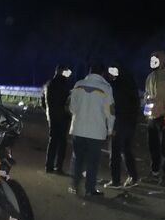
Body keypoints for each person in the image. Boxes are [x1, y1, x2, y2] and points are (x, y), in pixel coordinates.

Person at [67, 64, 115, 197]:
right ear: (102, 73)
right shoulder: (106, 88)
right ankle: (90, 189)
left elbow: (72, 107)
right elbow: (110, 112)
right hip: (96, 131)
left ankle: (74, 186)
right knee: (92, 162)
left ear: (89, 71)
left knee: (77, 159)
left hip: (78, 129)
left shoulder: (78, 85)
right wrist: (110, 129)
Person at [144, 50, 165, 183]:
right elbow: (147, 95)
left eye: (155, 60)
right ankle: (154, 172)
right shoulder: (150, 77)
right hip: (151, 117)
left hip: (164, 117)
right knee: (153, 146)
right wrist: (146, 110)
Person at [103, 64, 140, 188]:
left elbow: (112, 107)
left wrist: (111, 125)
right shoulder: (131, 84)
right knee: (126, 149)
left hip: (118, 122)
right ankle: (133, 176)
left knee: (114, 151)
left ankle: (115, 180)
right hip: (131, 122)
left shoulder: (114, 86)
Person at [42, 65, 73, 174]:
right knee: (62, 143)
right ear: (62, 72)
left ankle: (48, 166)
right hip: (63, 117)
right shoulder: (65, 85)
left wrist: (48, 113)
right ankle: (58, 167)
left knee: (53, 141)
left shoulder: (48, 84)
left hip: (52, 116)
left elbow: (43, 103)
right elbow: (68, 102)